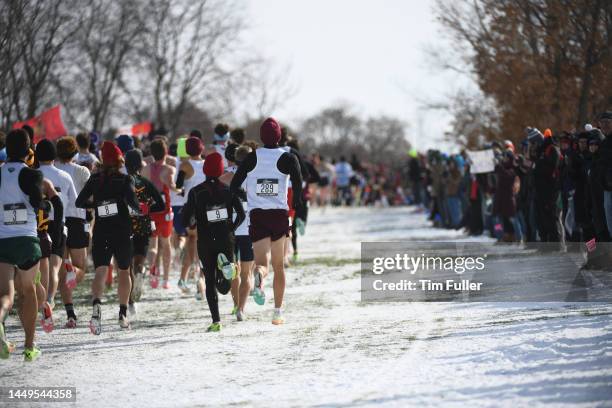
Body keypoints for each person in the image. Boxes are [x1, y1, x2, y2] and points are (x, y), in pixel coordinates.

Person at [230, 118, 303, 325]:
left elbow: (234, 185)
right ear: (279, 136)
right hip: (279, 214)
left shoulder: (252, 158)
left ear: (261, 137)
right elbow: (298, 184)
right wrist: (297, 203)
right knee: (279, 266)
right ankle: (278, 311)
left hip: (258, 215)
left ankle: (259, 278)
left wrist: (240, 198)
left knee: (262, 263)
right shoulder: (288, 158)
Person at [76, 141, 140, 333]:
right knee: (123, 271)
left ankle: (96, 306)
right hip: (121, 231)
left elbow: (80, 202)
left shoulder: (95, 180)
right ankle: (122, 314)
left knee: (101, 271)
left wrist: (96, 206)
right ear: (120, 159)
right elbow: (135, 206)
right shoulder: (124, 179)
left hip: (101, 231)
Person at [182, 152, 245, 332]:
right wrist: (232, 228)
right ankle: (227, 270)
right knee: (225, 284)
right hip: (226, 237)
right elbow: (241, 214)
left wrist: (193, 222)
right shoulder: (228, 190)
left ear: (204, 169)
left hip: (206, 240)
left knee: (209, 280)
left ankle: (216, 320)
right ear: (220, 170)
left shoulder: (196, 192)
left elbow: (186, 219)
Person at [0, 129, 46, 361]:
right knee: (28, 291)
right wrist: (46, 204)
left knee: (6, 294)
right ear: (29, 149)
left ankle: (0, 319)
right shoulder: (31, 174)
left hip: (2, 241)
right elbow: (38, 201)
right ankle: (29, 347)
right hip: (26, 241)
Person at [35, 140, 78, 317]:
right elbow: (75, 202)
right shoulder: (64, 176)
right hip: (59, 223)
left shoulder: (32, 175)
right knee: (54, 267)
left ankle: (41, 301)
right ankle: (50, 300)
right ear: (54, 156)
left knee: (40, 267)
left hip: (38, 223)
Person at [54, 137, 91, 328]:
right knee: (81, 268)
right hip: (77, 219)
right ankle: (72, 272)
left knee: (61, 270)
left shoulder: (53, 170)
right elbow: (89, 194)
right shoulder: (82, 170)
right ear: (75, 153)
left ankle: (70, 315)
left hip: (57, 221)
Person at [124, 149, 165, 312]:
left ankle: (130, 302)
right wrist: (147, 207)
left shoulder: (122, 182)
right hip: (143, 226)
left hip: (125, 227)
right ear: (140, 166)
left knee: (126, 266)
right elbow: (161, 205)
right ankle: (140, 271)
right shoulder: (145, 183)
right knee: (139, 260)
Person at [142, 139, 181, 289]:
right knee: (166, 244)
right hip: (165, 211)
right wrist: (180, 190)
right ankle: (165, 279)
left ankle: (152, 271)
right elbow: (172, 186)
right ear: (165, 152)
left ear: (152, 153)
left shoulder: (145, 170)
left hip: (151, 211)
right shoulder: (169, 169)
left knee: (153, 245)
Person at [175, 137, 206, 292]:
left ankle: (183, 278)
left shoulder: (185, 165)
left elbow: (179, 186)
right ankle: (200, 280)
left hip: (189, 209)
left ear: (187, 150)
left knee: (190, 244)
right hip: (205, 209)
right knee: (202, 246)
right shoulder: (207, 164)